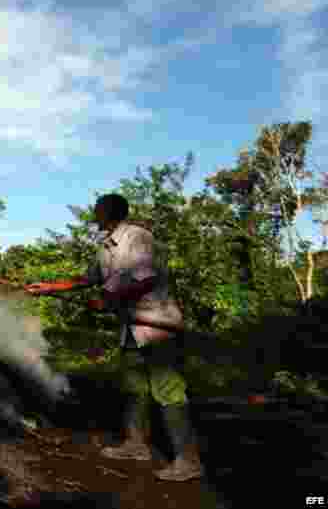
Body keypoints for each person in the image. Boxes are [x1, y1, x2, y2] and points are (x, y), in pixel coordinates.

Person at [24, 193, 205, 482]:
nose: (93, 214)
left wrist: (109, 298)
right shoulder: (105, 247)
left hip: (157, 325)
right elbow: (88, 280)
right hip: (131, 328)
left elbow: (145, 279)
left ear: (109, 212)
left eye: (96, 209)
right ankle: (136, 445)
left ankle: (188, 460)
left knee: (168, 390)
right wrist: (47, 287)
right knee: (135, 387)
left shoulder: (138, 238)